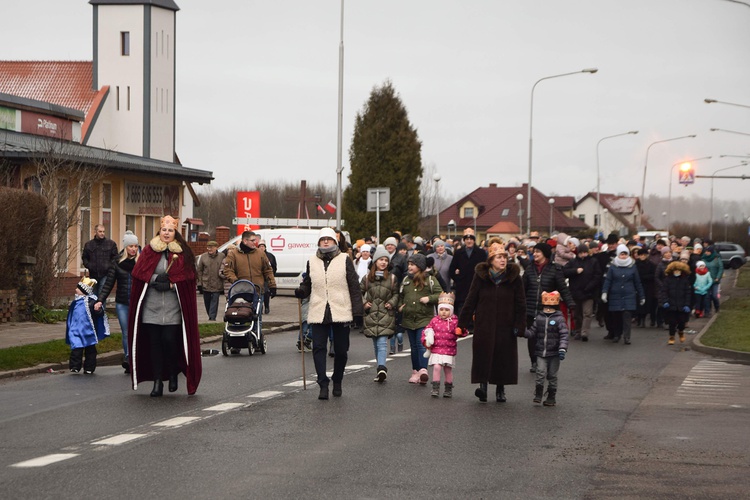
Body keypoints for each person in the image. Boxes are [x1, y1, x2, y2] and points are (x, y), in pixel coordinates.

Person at [128, 215, 202, 397]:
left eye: (170, 230)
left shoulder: (182, 253)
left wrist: (171, 284)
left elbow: (188, 278)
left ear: (175, 232)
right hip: (151, 308)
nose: (167, 233)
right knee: (154, 345)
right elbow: (139, 273)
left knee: (169, 341)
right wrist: (154, 280)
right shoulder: (148, 251)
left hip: (173, 308)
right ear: (159, 231)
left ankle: (172, 373)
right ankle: (157, 382)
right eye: (164, 230)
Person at [294, 227, 364, 400]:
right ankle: (322, 384)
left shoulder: (344, 259)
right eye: (322, 239)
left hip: (340, 309)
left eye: (329, 239)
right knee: (318, 347)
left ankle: (337, 380)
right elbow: (309, 283)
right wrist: (302, 291)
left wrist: (357, 311)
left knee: (341, 351)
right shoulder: (312, 261)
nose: (325, 241)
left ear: (335, 241)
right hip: (319, 310)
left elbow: (354, 286)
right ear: (318, 242)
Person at [458, 240, 525, 403]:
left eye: (504, 257)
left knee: (503, 357)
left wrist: (520, 325)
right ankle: (483, 387)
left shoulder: (514, 278)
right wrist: (461, 324)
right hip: (484, 324)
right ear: (490, 261)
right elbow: (471, 300)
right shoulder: (481, 276)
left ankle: (500, 389)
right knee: (483, 354)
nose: (502, 260)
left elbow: (521, 303)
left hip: (505, 324)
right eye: (498, 257)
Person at [520, 242, 575, 371]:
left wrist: (570, 303)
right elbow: (522, 289)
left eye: (538, 252)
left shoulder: (555, 269)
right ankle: (534, 362)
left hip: (548, 310)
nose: (535, 254)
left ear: (545, 254)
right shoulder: (529, 269)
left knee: (547, 336)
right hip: (531, 309)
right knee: (532, 337)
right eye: (534, 252)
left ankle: (547, 359)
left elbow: (563, 288)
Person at [97, 230, 140, 373]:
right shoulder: (117, 262)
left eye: (135, 246)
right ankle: (128, 358)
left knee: (138, 330)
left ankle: (137, 357)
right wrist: (100, 300)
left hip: (138, 302)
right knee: (126, 331)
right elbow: (108, 283)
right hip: (122, 303)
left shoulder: (141, 262)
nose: (133, 249)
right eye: (131, 246)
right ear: (126, 247)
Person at [398, 253, 443, 385]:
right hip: (409, 317)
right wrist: (400, 307)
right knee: (413, 347)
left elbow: (440, 294)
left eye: (412, 264)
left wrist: (429, 299)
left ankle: (423, 370)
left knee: (421, 344)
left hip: (424, 318)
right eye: (409, 264)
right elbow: (401, 295)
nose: (409, 267)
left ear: (420, 266)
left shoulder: (430, 279)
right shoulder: (406, 279)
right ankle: (415, 371)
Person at [361, 245, 399, 383]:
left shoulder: (392, 278)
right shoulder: (366, 278)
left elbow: (396, 294)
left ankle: (382, 367)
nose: (383, 262)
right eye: (381, 259)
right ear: (375, 261)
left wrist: (392, 303)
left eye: (386, 260)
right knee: (376, 343)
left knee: (382, 343)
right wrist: (364, 303)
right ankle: (380, 369)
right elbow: (357, 293)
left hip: (386, 314)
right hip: (370, 314)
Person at [524, 291, 568, 406]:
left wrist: (562, 348)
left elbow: (564, 334)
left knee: (552, 375)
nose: (548, 309)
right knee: (540, 372)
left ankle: (551, 396)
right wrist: (523, 332)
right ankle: (538, 394)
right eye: (546, 307)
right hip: (540, 351)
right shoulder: (539, 318)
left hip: (554, 353)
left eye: (551, 307)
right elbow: (532, 332)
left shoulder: (559, 319)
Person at [422, 292, 464, 398]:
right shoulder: (434, 320)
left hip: (448, 350)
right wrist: (426, 340)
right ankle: (435, 388)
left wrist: (461, 331)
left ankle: (448, 388)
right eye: (441, 310)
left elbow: (463, 331)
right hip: (436, 349)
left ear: (451, 310)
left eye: (446, 310)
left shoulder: (454, 321)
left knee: (447, 369)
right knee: (436, 367)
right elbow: (426, 330)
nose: (443, 312)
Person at [601, 245, 645, 344]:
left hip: (629, 295)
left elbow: (637, 282)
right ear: (618, 254)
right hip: (615, 295)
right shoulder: (613, 266)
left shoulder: (633, 266)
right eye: (622, 254)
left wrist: (642, 296)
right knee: (616, 317)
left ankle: (627, 336)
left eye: (625, 254)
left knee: (627, 317)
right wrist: (604, 292)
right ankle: (617, 335)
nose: (623, 256)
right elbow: (608, 280)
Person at [66, 277, 110, 374]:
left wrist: (98, 310)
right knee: (76, 349)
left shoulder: (92, 301)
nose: (76, 290)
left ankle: (89, 367)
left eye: (79, 288)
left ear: (84, 291)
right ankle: (74, 366)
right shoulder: (75, 302)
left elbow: (100, 314)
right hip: (76, 331)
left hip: (89, 331)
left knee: (90, 350)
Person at [449, 229, 488, 326]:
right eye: (467, 239)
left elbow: (485, 268)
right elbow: (452, 269)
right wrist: (458, 279)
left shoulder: (481, 252)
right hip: (462, 284)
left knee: (476, 304)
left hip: (477, 283)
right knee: (463, 305)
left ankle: (475, 325)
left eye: (471, 239)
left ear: (474, 240)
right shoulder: (459, 252)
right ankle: (463, 324)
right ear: (464, 241)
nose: (469, 241)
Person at [563, 243, 601, 341]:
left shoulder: (593, 262)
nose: (583, 255)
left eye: (585, 252)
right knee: (577, 314)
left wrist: (589, 287)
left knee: (587, 313)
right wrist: (575, 271)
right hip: (575, 292)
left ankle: (585, 332)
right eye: (581, 253)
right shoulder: (573, 262)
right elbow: (564, 272)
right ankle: (578, 330)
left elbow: (597, 276)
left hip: (589, 292)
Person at [658, 260, 692, 344]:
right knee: (672, 322)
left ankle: (681, 332)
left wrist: (687, 304)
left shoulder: (685, 281)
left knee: (681, 322)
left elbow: (688, 293)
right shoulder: (668, 280)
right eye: (675, 270)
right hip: (671, 304)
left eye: (679, 271)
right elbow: (664, 291)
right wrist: (665, 301)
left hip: (682, 305)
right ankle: (671, 336)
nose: (677, 272)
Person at [82, 223, 118, 297]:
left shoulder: (111, 244)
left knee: (102, 294)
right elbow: (84, 257)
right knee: (93, 295)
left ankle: (101, 308)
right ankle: (94, 308)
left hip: (105, 274)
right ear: (95, 232)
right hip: (93, 274)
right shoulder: (89, 244)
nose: (102, 233)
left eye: (103, 231)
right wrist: (89, 265)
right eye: (100, 231)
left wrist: (109, 266)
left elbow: (115, 257)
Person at [197, 240, 223, 321]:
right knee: (207, 301)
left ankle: (212, 317)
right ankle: (210, 314)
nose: (209, 249)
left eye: (211, 247)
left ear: (216, 247)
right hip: (206, 283)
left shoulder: (222, 256)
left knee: (215, 301)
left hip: (217, 283)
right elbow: (199, 270)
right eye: (208, 247)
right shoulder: (203, 257)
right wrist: (199, 283)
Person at [634, 247, 657, 328]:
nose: (642, 256)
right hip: (638, 286)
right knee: (638, 303)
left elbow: (653, 275)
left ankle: (643, 320)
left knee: (646, 304)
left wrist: (644, 277)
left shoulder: (651, 265)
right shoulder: (635, 264)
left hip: (648, 286)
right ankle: (639, 319)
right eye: (641, 255)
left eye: (644, 255)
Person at [257, 239, 277, 314]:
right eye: (260, 246)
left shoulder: (270, 256)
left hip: (266, 278)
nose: (262, 247)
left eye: (263, 246)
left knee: (266, 293)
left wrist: (271, 276)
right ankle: (260, 307)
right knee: (259, 293)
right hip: (259, 277)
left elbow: (274, 267)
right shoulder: (256, 255)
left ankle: (267, 307)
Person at [703, 245, 723, 316]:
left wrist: (718, 277)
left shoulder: (717, 259)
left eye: (708, 251)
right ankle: (707, 311)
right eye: (706, 251)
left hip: (715, 280)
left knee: (714, 295)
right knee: (707, 296)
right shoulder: (703, 259)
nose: (706, 253)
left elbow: (721, 268)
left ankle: (717, 307)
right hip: (706, 281)